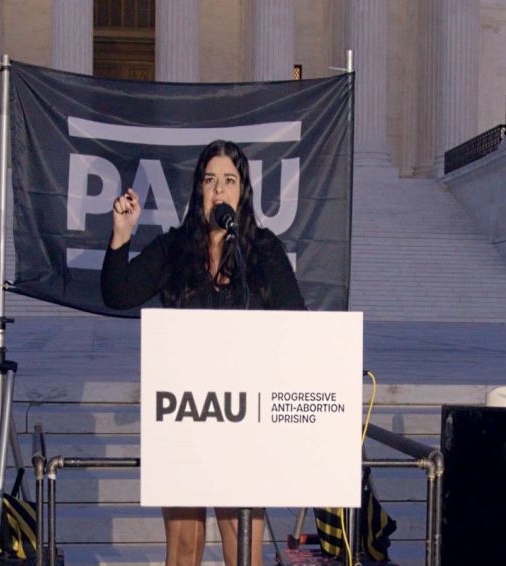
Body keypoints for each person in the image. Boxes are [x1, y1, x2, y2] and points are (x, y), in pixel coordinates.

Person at [101, 140, 305, 566]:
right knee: (184, 546)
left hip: (244, 419)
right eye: (210, 180)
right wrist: (122, 237)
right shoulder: (174, 248)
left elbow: (297, 327)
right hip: (185, 416)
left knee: (242, 543)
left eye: (228, 180)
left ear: (242, 192)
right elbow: (118, 294)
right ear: (198, 191)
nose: (218, 190)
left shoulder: (264, 252)